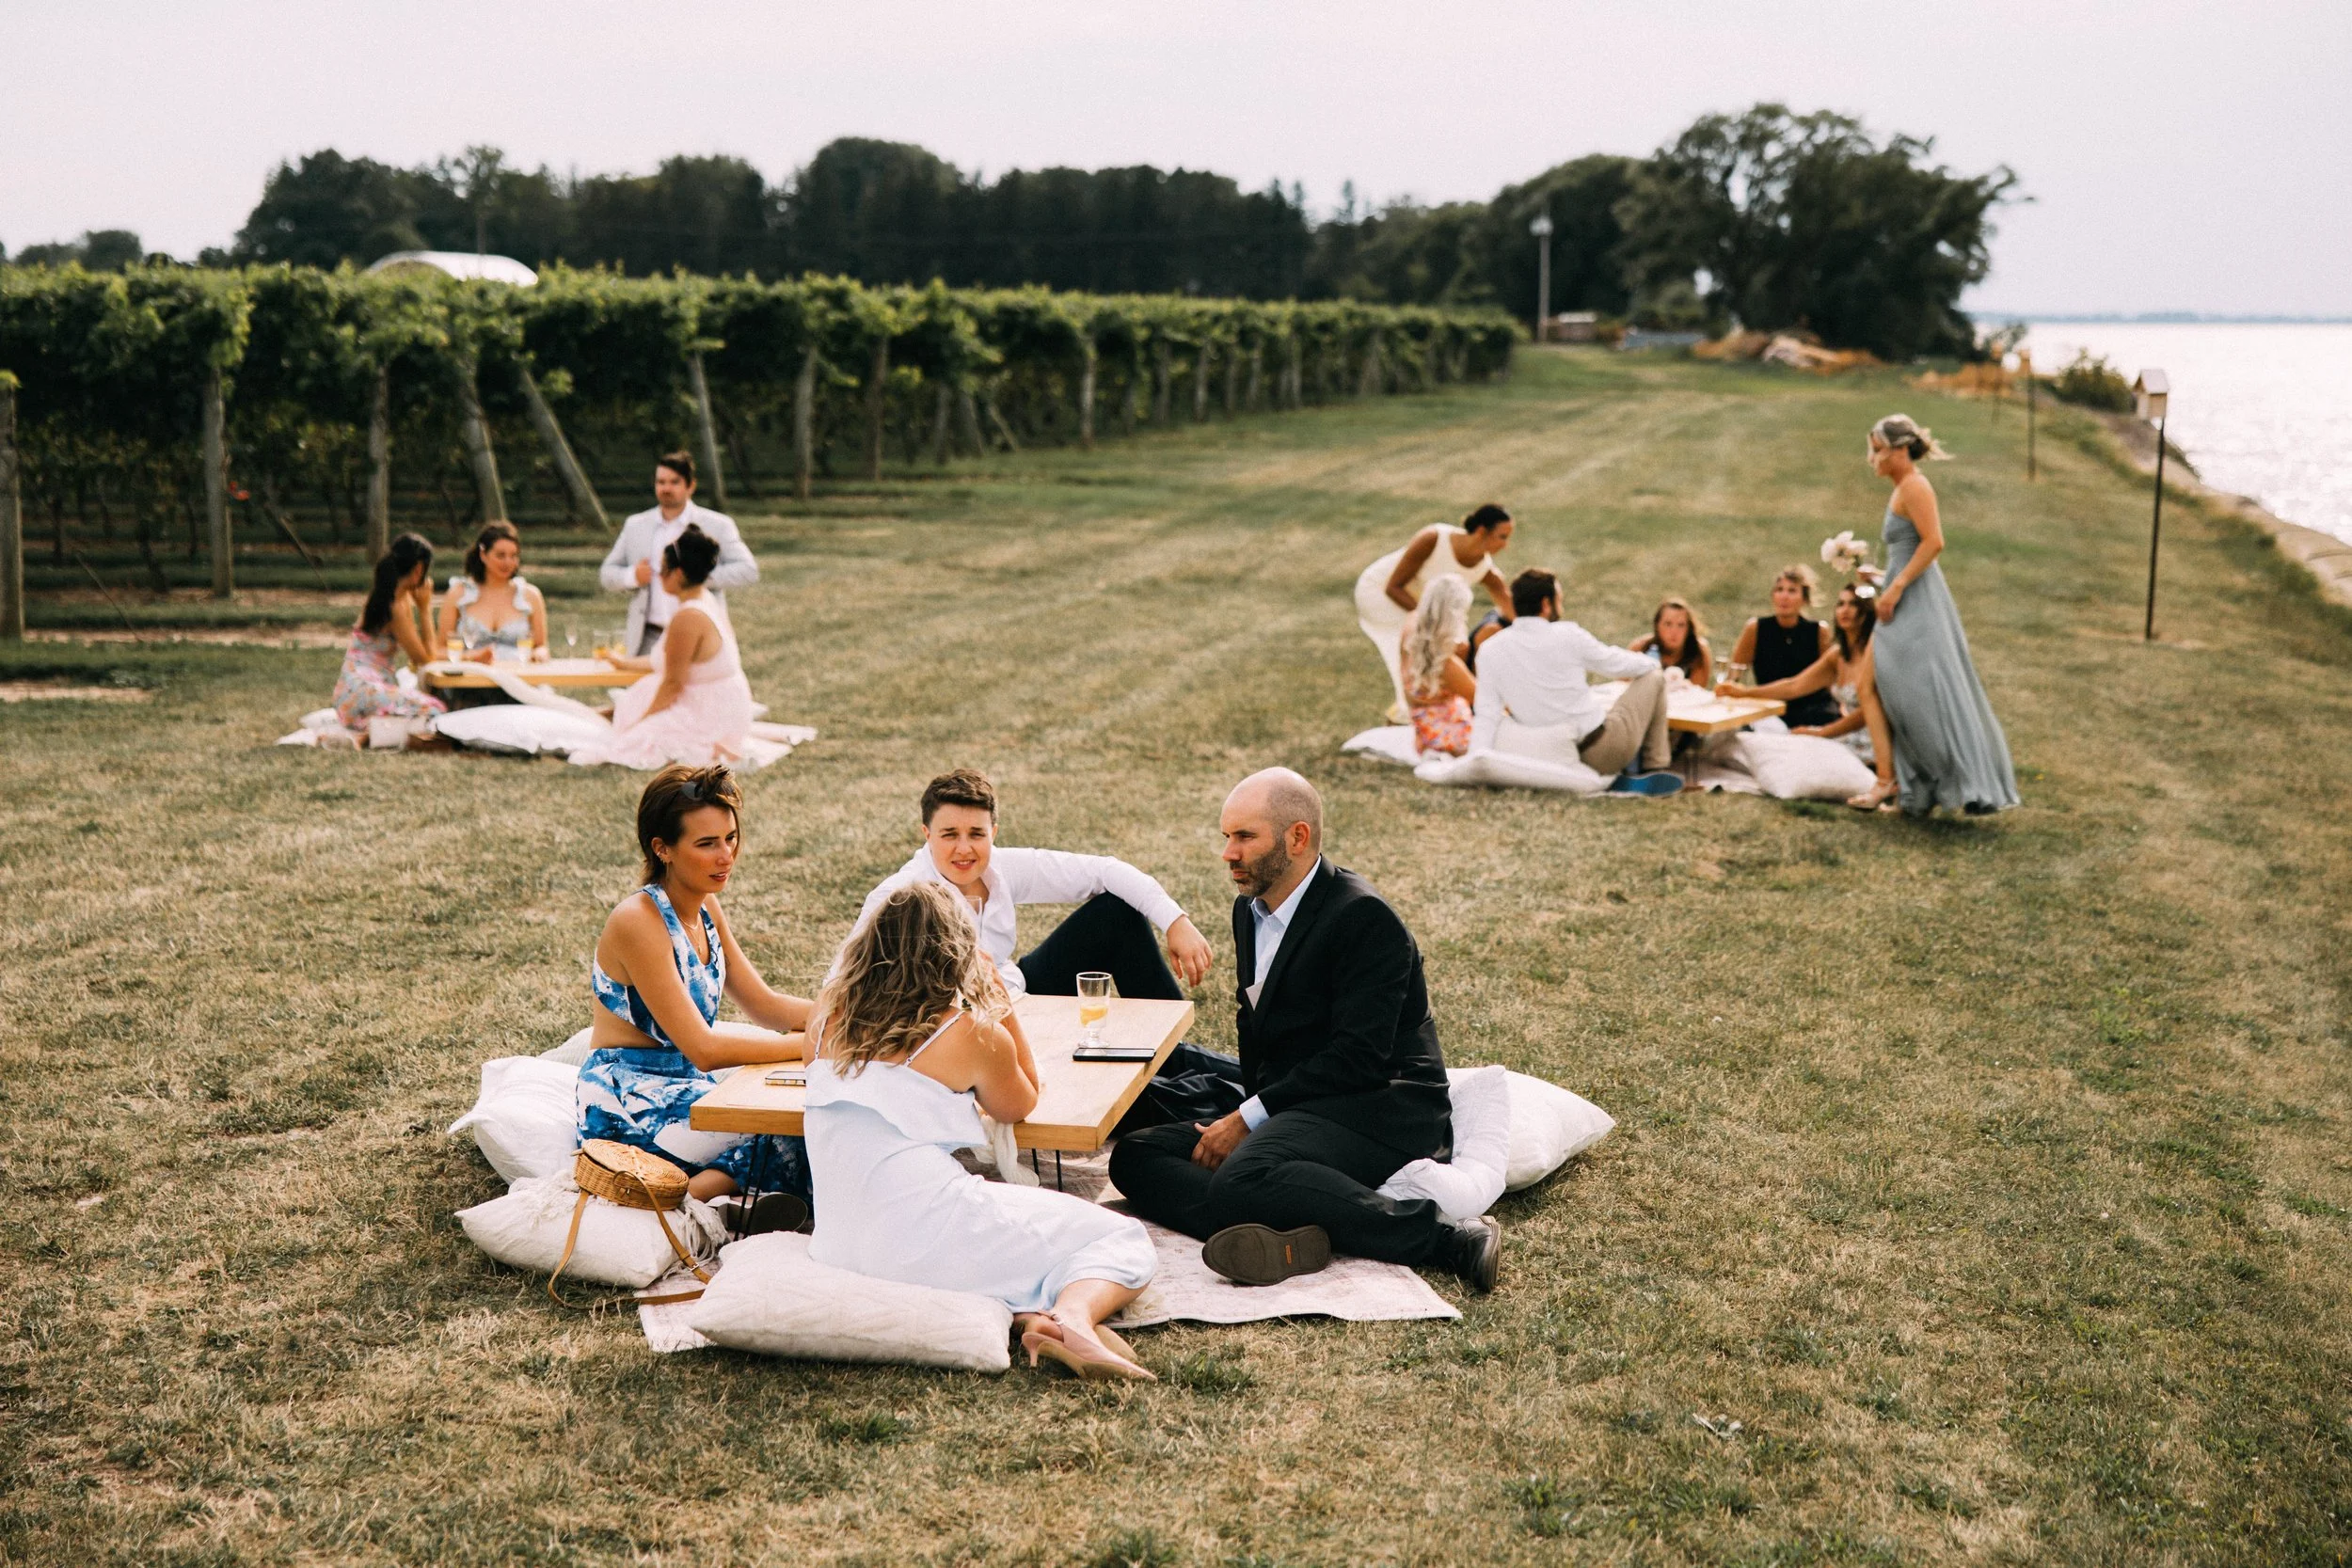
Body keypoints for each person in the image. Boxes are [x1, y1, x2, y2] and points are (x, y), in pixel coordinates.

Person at [1108, 769, 1501, 1292]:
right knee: (1136, 1155)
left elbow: (1358, 1058)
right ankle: (1291, 1232)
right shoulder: (1249, 909)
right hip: (1302, 1103)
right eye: (1226, 836)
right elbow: (1257, 1024)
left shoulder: (1363, 918)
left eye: (1245, 837)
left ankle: (1447, 1240)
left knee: (1243, 1174)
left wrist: (1250, 1119)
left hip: (1381, 1107)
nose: (1228, 852)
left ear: (1297, 837)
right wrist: (1250, 1112)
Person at [805, 881, 1158, 1382]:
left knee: (1009, 1243)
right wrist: (999, 1005)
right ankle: (1074, 1318)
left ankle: (1032, 1320)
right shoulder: (965, 1031)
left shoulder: (823, 1020)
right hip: (923, 1236)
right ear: (954, 951)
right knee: (1121, 1237)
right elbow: (1021, 1102)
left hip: (839, 1242)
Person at [577, 765, 816, 1222]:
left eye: (730, 838)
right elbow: (704, 1049)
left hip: (687, 1087)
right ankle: (687, 1206)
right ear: (662, 848)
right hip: (629, 1099)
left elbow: (766, 1006)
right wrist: (813, 1045)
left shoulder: (706, 905)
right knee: (786, 1135)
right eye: (706, 844)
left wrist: (859, 1015)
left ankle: (725, 1201)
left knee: (812, 1124)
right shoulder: (637, 920)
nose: (725, 855)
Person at [844, 768, 1214, 1004]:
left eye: (976, 834)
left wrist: (1174, 920)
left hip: (1019, 996)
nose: (963, 848)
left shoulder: (1000, 867)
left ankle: (1167, 1040)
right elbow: (844, 982)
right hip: (954, 1024)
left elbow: (1104, 871)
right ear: (926, 835)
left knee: (1116, 913)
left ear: (994, 833)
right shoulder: (899, 895)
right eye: (949, 835)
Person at [1863, 414, 2020, 815]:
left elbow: (1934, 543)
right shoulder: (1903, 487)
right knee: (1879, 686)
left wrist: (1895, 588)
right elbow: (1909, 551)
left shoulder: (1915, 486)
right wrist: (1881, 576)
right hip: (1902, 594)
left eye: (1878, 450)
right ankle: (1905, 784)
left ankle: (1923, 780)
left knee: (1914, 691)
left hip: (1915, 602)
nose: (1872, 459)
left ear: (1899, 450)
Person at [1467, 568, 1685, 797]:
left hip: (1543, 754)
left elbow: (1486, 715)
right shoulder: (1567, 635)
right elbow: (1617, 663)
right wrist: (1652, 663)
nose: (1561, 607)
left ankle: (1631, 774)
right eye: (1559, 600)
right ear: (1546, 604)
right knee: (1654, 677)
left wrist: (1475, 764)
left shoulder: (1491, 649)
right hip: (1598, 752)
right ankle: (1656, 766)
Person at [567, 525, 759, 770]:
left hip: (711, 712)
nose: (657, 575)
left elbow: (673, 684)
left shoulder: (689, 616)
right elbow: (670, 660)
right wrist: (622, 662)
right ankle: (602, 716)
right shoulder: (703, 598)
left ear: (677, 574)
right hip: (717, 699)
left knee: (632, 741)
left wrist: (643, 722)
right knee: (631, 705)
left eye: (662, 569)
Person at [1718, 581, 1898, 806]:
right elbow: (1794, 686)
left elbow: (1867, 712)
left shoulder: (1875, 652)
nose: (1845, 610)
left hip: (1874, 739)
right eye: (1840, 604)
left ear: (1867, 611)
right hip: (1842, 734)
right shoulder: (1837, 655)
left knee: (1804, 749)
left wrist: (1823, 733)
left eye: (1854, 604)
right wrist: (1744, 693)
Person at [1354, 504, 1514, 718]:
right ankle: (1409, 714)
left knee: (1443, 648)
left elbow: (1507, 602)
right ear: (1482, 531)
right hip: (1380, 594)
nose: (1506, 545)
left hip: (1424, 609)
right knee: (1412, 652)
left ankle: (1431, 710)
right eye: (1502, 537)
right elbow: (1393, 587)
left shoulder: (1485, 570)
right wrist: (1431, 621)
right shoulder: (1433, 538)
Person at [598, 451, 758, 657]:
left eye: (674, 482)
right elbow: (606, 573)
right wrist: (632, 576)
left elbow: (748, 570)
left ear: (690, 486)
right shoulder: (635, 525)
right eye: (661, 482)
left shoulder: (717, 525)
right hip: (649, 636)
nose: (666, 488)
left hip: (699, 633)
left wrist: (696, 577)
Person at [330, 532, 448, 736]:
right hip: (363, 690)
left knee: (428, 705)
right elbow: (425, 659)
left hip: (352, 689)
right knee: (437, 709)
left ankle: (373, 730)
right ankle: (373, 733)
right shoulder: (396, 605)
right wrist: (425, 608)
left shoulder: (388, 594)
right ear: (419, 569)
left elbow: (426, 655)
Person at [1724, 566, 1837, 729]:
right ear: (1773, 596)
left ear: (1804, 599)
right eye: (1779, 590)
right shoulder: (1756, 628)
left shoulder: (1819, 631)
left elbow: (1830, 681)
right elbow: (1735, 673)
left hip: (1813, 710)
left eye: (1792, 591)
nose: (1784, 596)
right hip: (1771, 708)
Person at [437, 520, 548, 663]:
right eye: (501, 555)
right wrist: (471, 657)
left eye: (513, 556)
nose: (508, 562)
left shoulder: (531, 596)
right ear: (483, 554)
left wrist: (539, 654)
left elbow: (541, 646)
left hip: (518, 679)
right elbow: (438, 651)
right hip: (470, 678)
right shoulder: (458, 594)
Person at [1399, 577, 1476, 758]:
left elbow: (1404, 680)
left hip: (1423, 729)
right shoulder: (1446, 665)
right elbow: (1485, 699)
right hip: (1451, 736)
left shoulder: (1410, 631)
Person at [1629, 595, 1713, 689]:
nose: (1674, 631)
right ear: (1657, 625)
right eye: (1668, 624)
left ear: (1688, 628)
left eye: (1681, 625)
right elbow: (1621, 687)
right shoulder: (1640, 648)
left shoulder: (1699, 651)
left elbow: (1697, 692)